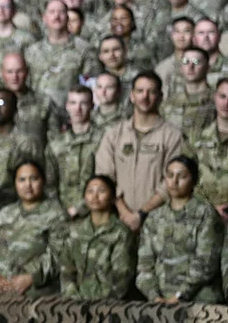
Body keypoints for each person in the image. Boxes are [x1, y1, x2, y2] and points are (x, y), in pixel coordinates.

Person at [96, 72, 183, 232]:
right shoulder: (114, 135)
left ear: (160, 97)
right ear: (132, 96)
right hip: (118, 220)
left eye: (151, 92)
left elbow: (171, 181)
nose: (145, 96)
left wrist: (142, 214)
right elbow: (105, 176)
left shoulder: (172, 135)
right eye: (140, 91)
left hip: (159, 221)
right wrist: (125, 214)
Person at [136, 156, 224, 303]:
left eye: (182, 176)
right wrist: (155, 297)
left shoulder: (206, 214)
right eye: (170, 175)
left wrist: (179, 296)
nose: (174, 181)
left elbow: (206, 263)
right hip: (160, 302)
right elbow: (144, 265)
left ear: (194, 180)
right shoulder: (154, 217)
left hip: (199, 300)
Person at [0, 160, 67, 297]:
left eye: (34, 179)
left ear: (43, 181)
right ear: (15, 183)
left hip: (36, 294)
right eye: (22, 180)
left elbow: (59, 254)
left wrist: (30, 278)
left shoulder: (56, 215)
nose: (28, 185)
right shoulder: (3, 214)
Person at [59, 176, 137, 299]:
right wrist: (74, 299)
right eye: (90, 191)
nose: (95, 196)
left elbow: (122, 276)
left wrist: (99, 304)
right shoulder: (75, 232)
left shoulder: (121, 233)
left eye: (101, 191)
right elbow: (66, 271)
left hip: (109, 305)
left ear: (112, 198)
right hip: (76, 305)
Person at [45, 86, 100, 218]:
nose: (78, 109)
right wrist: (59, 211)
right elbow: (49, 184)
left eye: (83, 103)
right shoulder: (56, 144)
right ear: (67, 106)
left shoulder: (103, 140)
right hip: (62, 214)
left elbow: (107, 179)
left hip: (96, 211)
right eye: (73, 103)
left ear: (92, 106)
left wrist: (80, 208)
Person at [184, 78, 228, 224]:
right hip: (201, 215)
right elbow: (186, 175)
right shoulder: (196, 137)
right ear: (215, 97)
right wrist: (211, 207)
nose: (226, 103)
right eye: (222, 96)